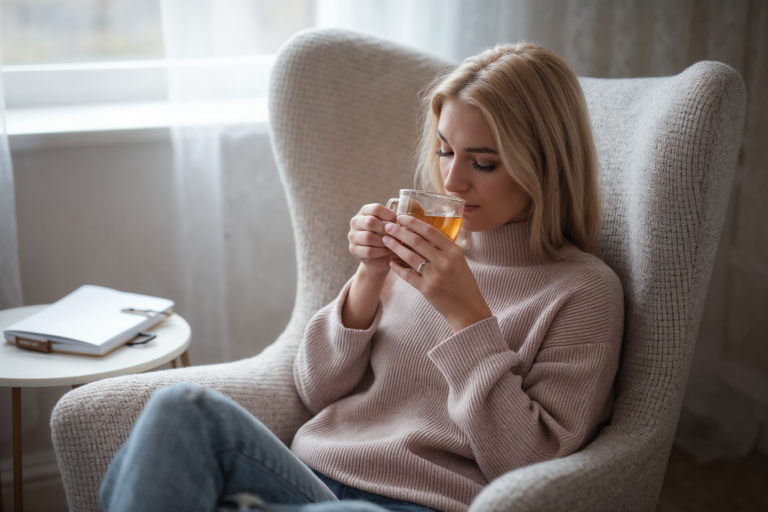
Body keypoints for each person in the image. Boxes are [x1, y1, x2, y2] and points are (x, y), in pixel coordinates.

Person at [100, 42, 624, 512]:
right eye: (445, 151)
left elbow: (530, 467)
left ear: (546, 165)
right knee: (180, 410)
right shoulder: (421, 247)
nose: (452, 179)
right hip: (311, 478)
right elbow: (315, 388)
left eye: (483, 163)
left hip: (421, 505)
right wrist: (369, 279)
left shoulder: (583, 291)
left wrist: (467, 316)